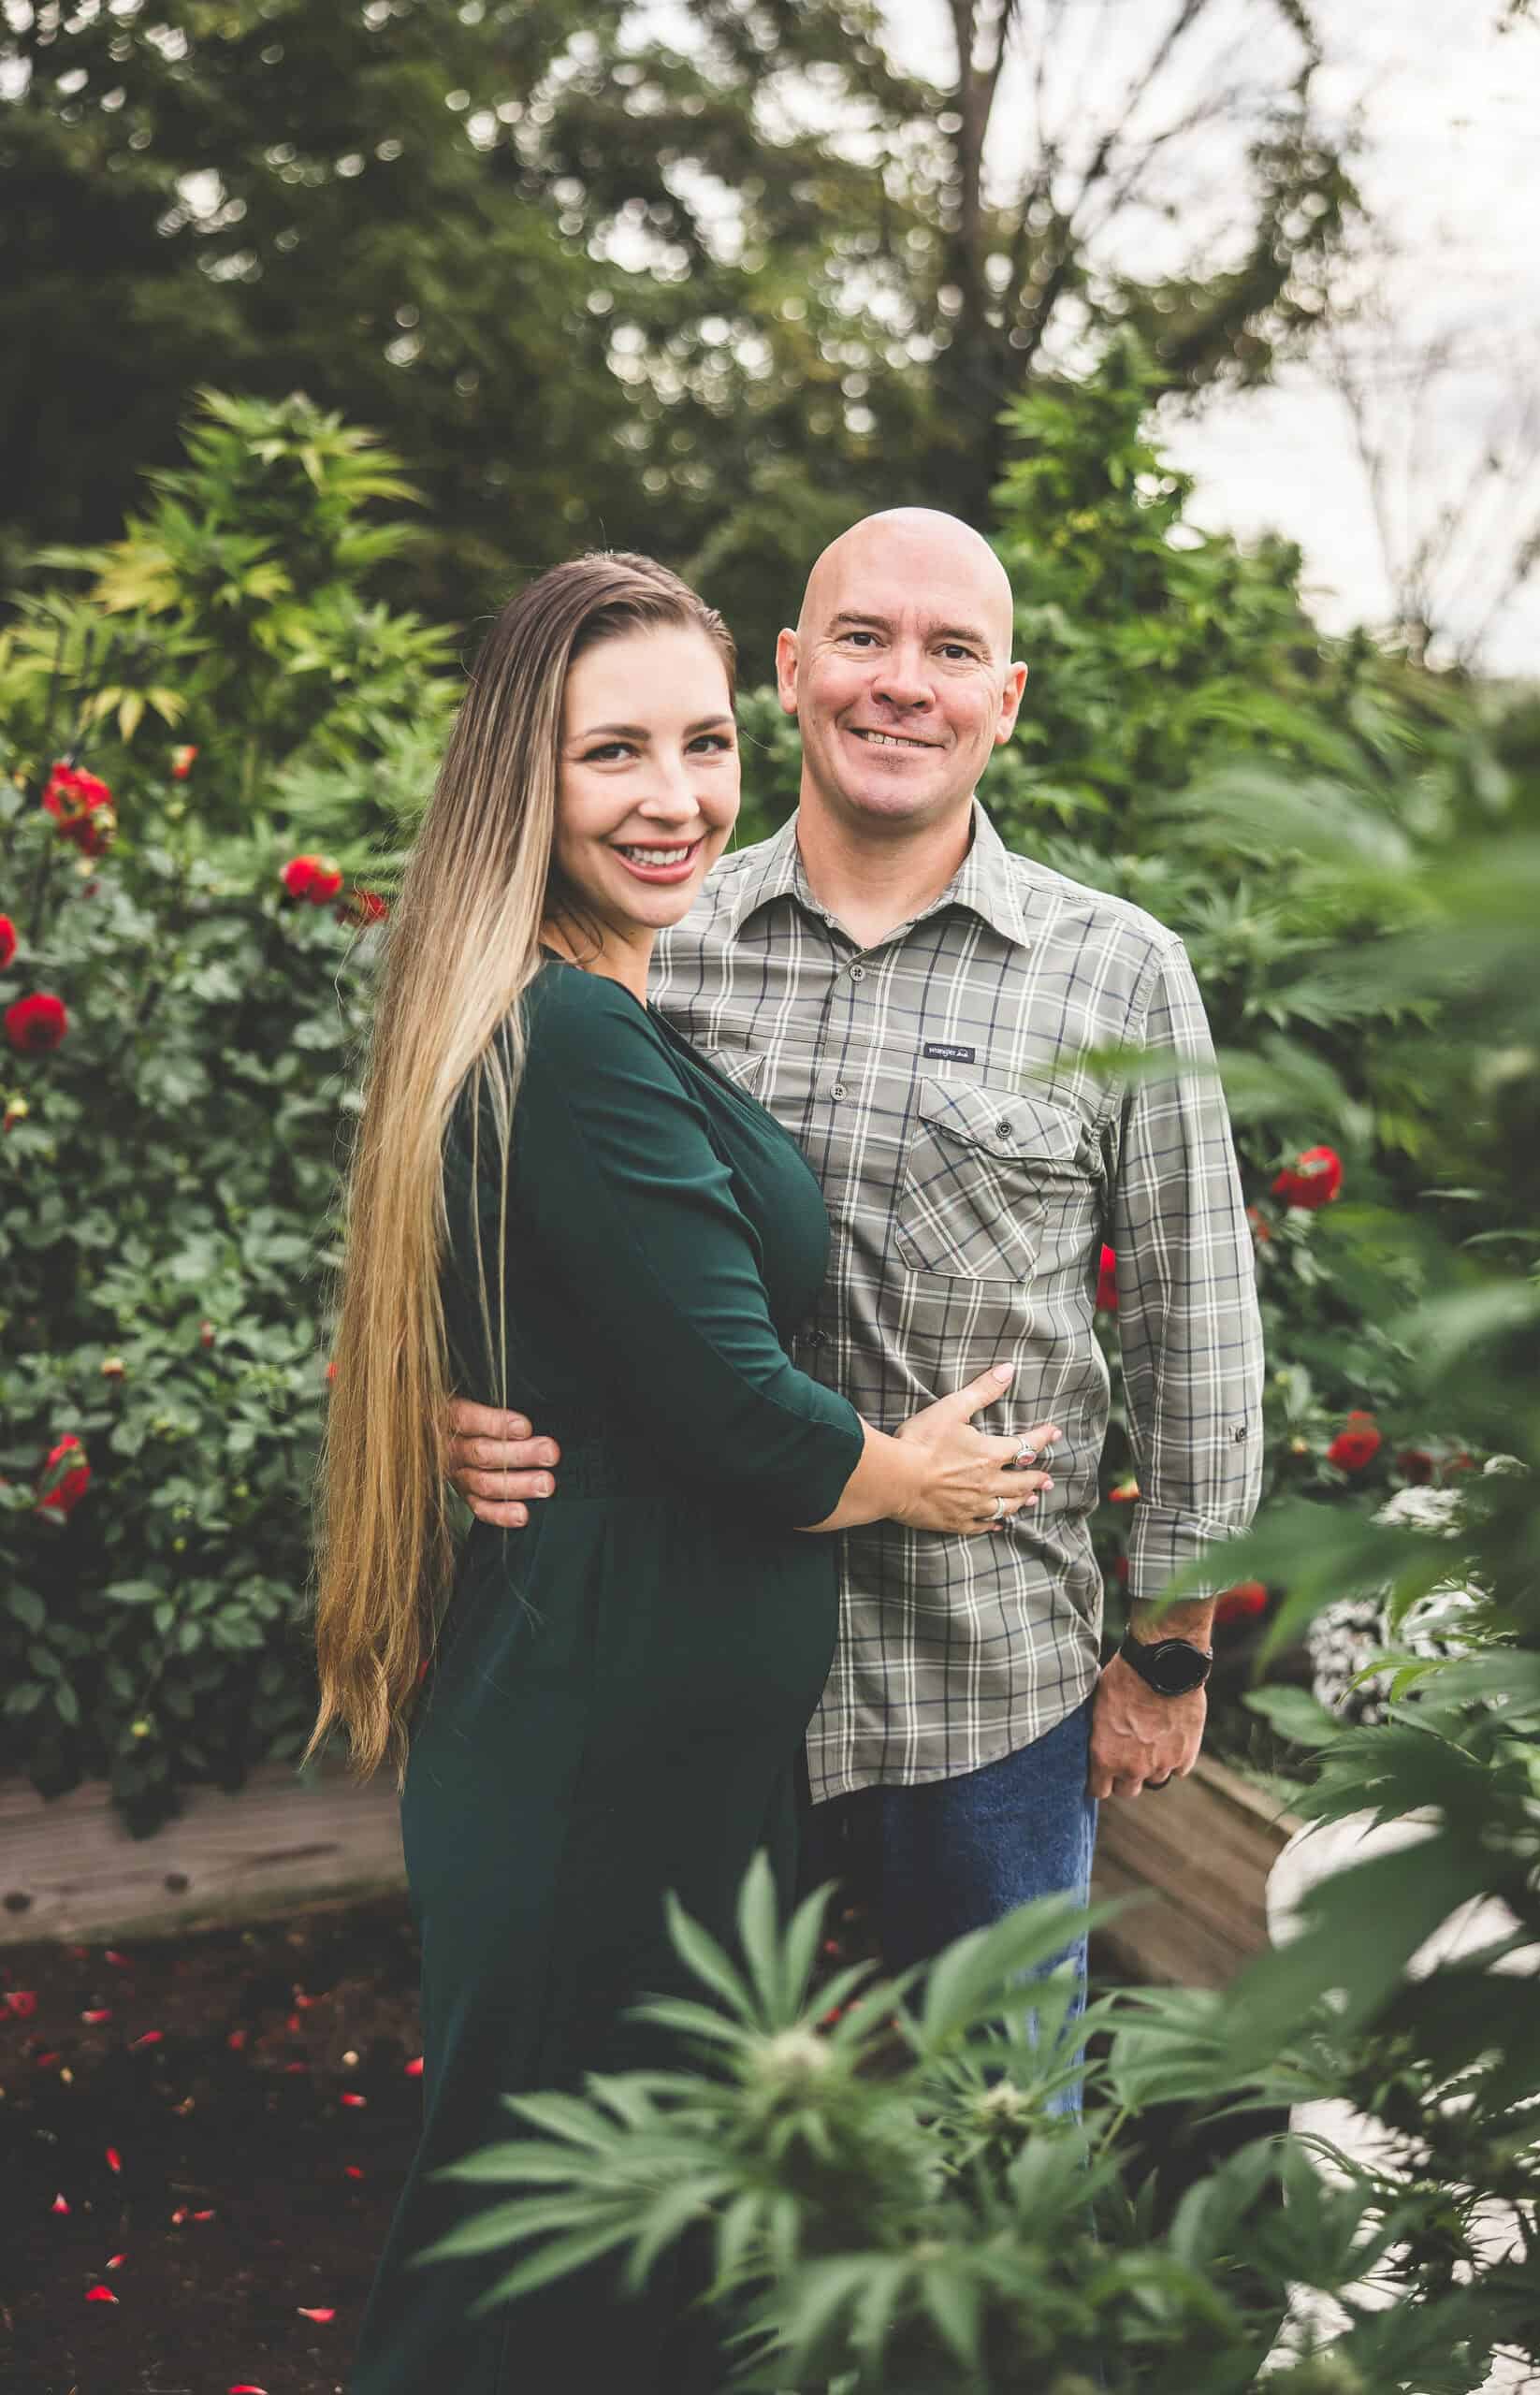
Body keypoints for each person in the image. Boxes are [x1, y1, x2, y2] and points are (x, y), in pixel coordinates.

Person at [308, 552, 1057, 2394]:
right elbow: (733, 1407)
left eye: (702, 743)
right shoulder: (572, 1033)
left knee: (616, 2261)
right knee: (529, 2268)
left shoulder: (584, 1005)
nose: (673, 797)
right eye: (609, 754)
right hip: (603, 1765)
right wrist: (913, 1474)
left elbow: (563, 1321)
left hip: (641, 1741)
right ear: (524, 782)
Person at [450, 508, 1266, 2010]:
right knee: (696, 2156)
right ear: (789, 671)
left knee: (993, 2153)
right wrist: (458, 1407)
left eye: (952, 651)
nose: (904, 682)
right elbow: (510, 1229)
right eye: (862, 639)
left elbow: (1195, 1329)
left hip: (978, 1699)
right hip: (685, 1680)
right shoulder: (652, 933)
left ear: (1004, 700)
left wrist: (1167, 1651)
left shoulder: (1117, 972)